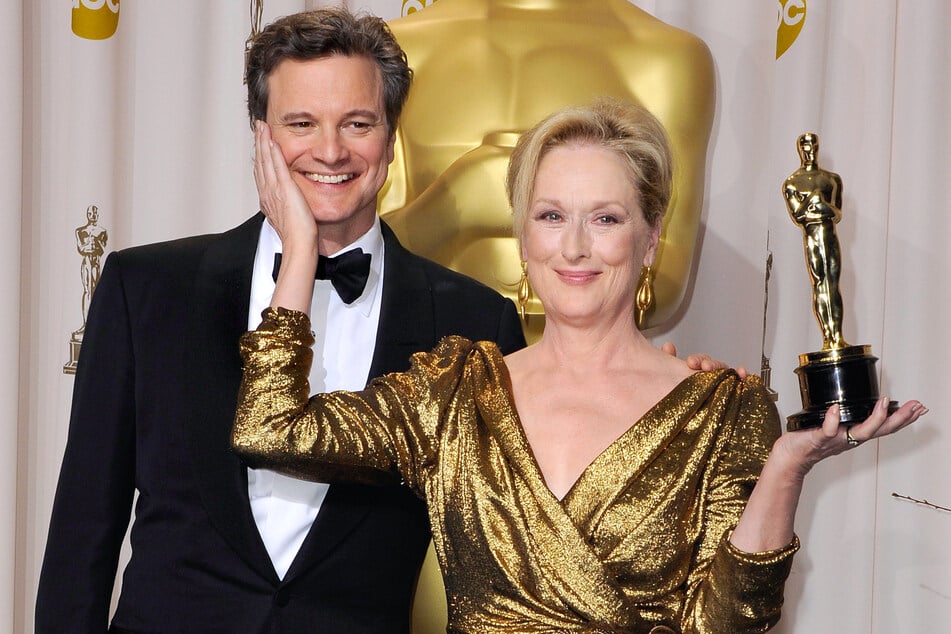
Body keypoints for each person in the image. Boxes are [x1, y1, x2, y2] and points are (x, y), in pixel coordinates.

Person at [233, 99, 927, 632]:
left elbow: (725, 624)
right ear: (523, 237)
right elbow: (269, 428)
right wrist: (300, 250)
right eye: (550, 216)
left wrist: (786, 468)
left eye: (604, 219)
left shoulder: (722, 408)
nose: (573, 248)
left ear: (651, 238)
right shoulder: (455, 392)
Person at [36, 9, 527, 633]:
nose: (330, 151)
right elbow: (84, 531)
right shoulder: (147, 290)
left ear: (391, 133)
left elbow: (504, 560)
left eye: (357, 123)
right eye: (302, 123)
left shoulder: (474, 323)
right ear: (261, 134)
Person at [380, 0, 716, 339]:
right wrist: (458, 206)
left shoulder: (668, 55)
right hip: (427, 371)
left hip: (596, 374)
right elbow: (362, 258)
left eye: (606, 219)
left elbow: (667, 276)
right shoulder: (398, 47)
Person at [783, 132, 848, 350]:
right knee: (820, 285)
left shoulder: (832, 179)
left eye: (813, 145)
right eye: (805, 146)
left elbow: (837, 214)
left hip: (829, 234)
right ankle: (827, 338)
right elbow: (798, 215)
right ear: (799, 149)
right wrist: (814, 201)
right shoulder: (793, 182)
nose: (809, 150)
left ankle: (836, 337)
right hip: (812, 236)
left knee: (833, 285)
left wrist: (819, 205)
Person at [74, 203, 108, 332]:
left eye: (94, 213)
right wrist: (89, 243)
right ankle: (85, 324)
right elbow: (81, 248)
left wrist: (97, 241)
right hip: (87, 260)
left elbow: (103, 249)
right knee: (87, 290)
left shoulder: (102, 231)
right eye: (90, 213)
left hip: (96, 261)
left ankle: (95, 324)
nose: (92, 215)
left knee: (96, 290)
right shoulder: (80, 231)